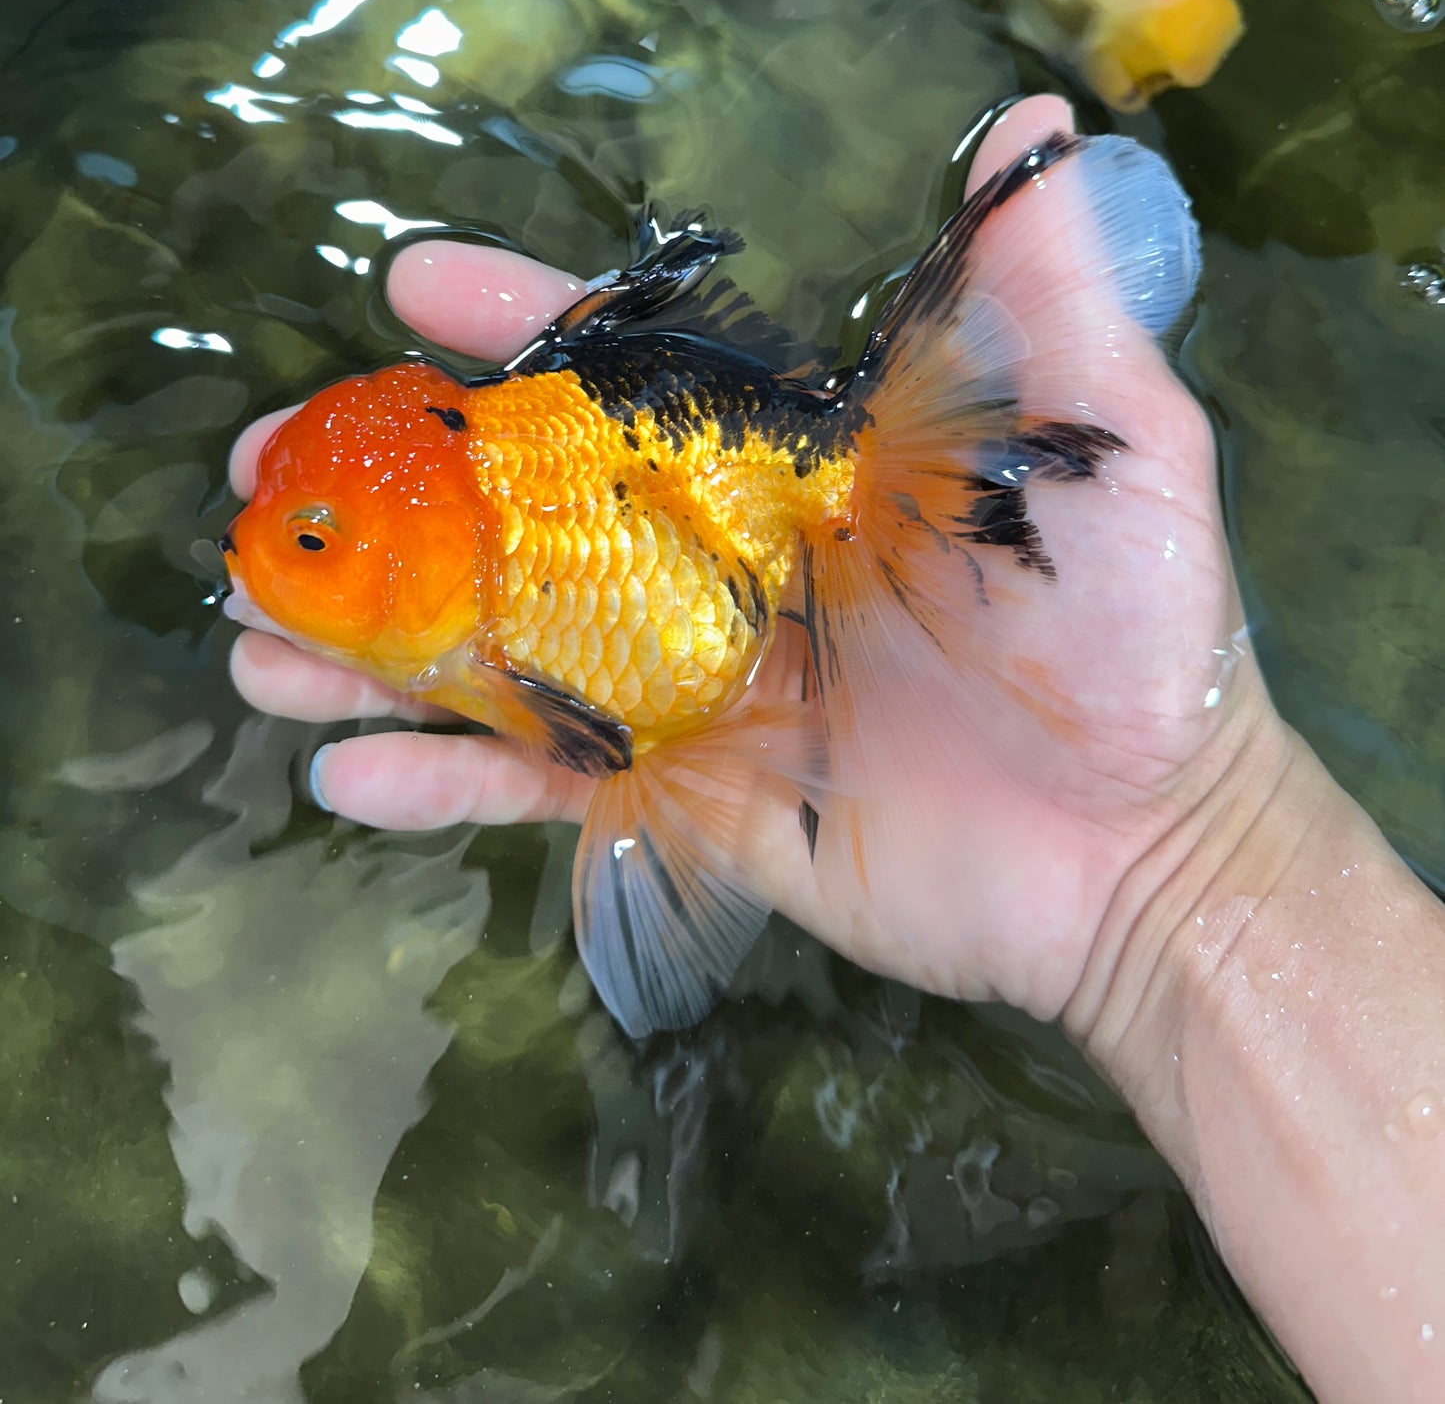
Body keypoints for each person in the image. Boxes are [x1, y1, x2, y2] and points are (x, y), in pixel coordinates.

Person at [228, 94, 1445, 1404]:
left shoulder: (526, 564)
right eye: (302, 534)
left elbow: (626, 723)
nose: (254, 552)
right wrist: (1182, 874)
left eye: (308, 541)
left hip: (725, 498)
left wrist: (1180, 849)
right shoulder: (491, 581)